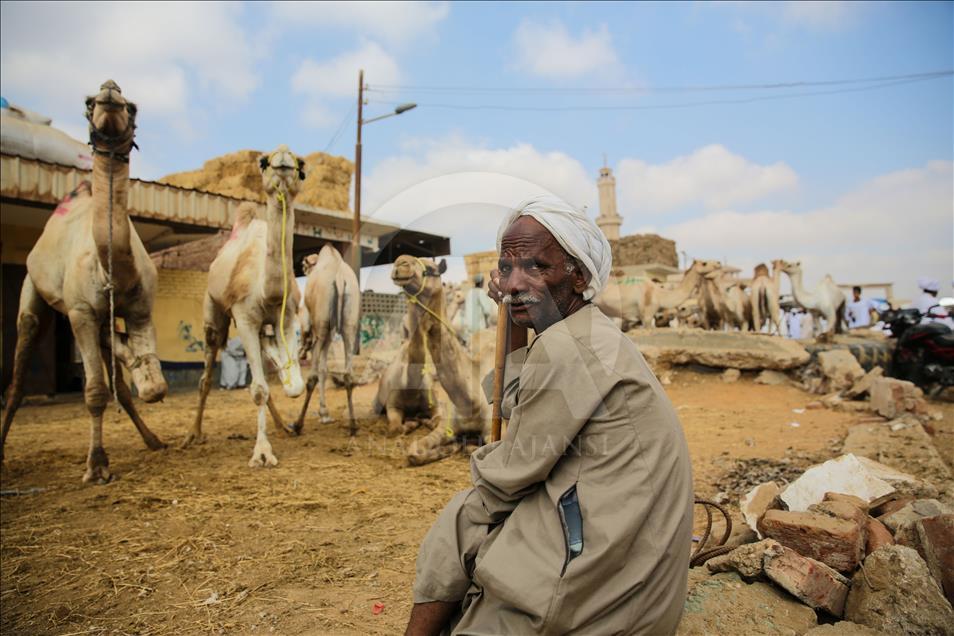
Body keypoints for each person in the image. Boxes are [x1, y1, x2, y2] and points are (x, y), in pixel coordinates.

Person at [405, 195, 693, 635]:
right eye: (507, 268)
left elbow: (508, 472)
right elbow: (513, 402)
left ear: (579, 276)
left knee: (464, 518)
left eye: (536, 267)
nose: (515, 282)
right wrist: (517, 311)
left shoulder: (567, 347)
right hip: (631, 556)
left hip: (604, 580)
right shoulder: (586, 332)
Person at [459, 273, 497, 343]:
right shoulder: (481, 292)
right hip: (478, 327)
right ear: (482, 282)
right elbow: (487, 310)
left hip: (468, 326)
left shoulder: (469, 292)